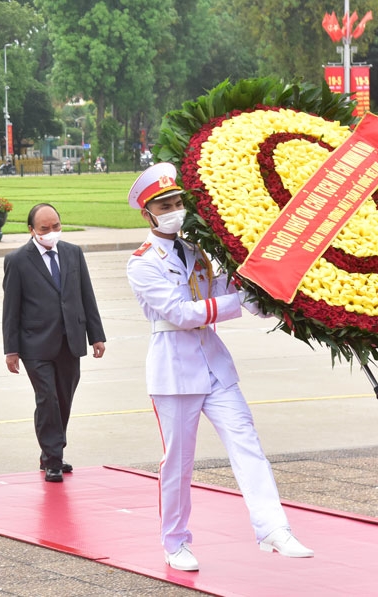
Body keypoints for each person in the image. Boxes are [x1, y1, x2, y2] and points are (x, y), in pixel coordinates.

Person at [125, 163, 313, 571]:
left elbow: (228, 289)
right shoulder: (142, 263)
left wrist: (266, 297)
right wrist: (238, 303)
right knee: (178, 461)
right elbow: (180, 312)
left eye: (178, 202)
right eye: (165, 205)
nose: (176, 209)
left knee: (247, 443)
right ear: (147, 213)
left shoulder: (197, 251)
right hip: (174, 371)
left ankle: (272, 527)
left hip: (214, 365)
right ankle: (175, 542)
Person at [2, 203, 106, 482]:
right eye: (44, 229)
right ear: (32, 230)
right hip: (35, 343)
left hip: (70, 339)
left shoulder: (73, 253)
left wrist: (96, 335)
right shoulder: (18, 260)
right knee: (46, 398)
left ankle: (51, 449)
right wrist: (11, 349)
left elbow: (87, 295)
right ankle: (53, 458)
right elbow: (11, 308)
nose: (51, 233)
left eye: (56, 227)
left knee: (63, 399)